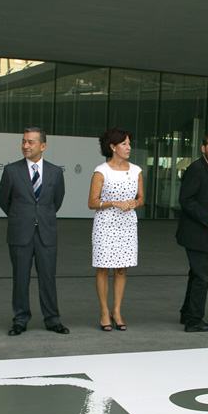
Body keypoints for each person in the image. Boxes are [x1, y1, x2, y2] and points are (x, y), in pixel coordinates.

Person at [0, 128, 69, 336]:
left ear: (43, 146)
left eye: (30, 142)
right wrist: (22, 217)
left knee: (48, 278)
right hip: (20, 232)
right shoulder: (11, 170)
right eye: (23, 141)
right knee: (20, 278)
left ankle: (52, 319)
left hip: (46, 233)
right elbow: (4, 201)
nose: (25, 146)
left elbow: (56, 201)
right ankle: (20, 320)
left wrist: (40, 217)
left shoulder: (55, 172)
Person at [87, 128, 144, 331]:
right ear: (112, 147)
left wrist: (134, 203)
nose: (129, 147)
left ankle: (117, 311)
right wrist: (114, 203)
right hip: (106, 224)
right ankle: (104, 311)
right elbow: (92, 203)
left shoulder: (136, 170)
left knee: (121, 269)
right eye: (124, 144)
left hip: (127, 225)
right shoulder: (102, 171)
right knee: (103, 268)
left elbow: (141, 198)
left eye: (129, 144)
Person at [176, 132, 208, 332]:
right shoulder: (196, 168)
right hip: (196, 233)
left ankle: (187, 314)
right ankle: (194, 321)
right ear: (203, 148)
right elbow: (186, 200)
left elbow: (207, 197)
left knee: (197, 275)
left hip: (201, 234)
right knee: (203, 277)